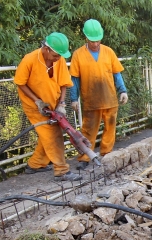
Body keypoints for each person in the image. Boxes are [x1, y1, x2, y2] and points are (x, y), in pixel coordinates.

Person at [14, 32, 82, 181]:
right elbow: (20, 82)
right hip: (34, 106)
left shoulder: (60, 60)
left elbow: (64, 83)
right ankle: (61, 171)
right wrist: (37, 101)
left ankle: (35, 164)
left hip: (54, 102)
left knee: (48, 135)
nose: (58, 58)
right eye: (56, 55)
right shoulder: (30, 60)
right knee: (53, 136)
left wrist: (62, 103)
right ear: (46, 48)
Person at [69, 19, 128, 170]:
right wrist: (73, 98)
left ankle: (107, 153)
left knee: (110, 128)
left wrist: (123, 90)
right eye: (92, 40)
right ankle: (84, 156)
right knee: (88, 130)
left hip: (109, 97)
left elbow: (117, 74)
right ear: (86, 38)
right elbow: (74, 79)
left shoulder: (109, 52)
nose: (95, 44)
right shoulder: (78, 55)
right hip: (91, 99)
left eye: (98, 40)